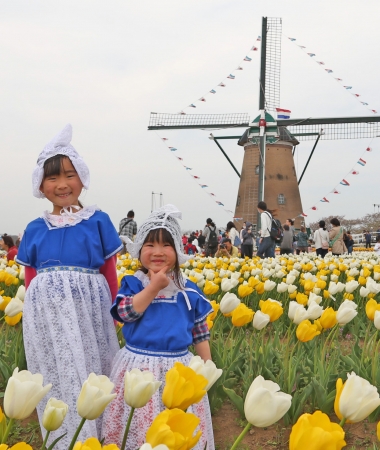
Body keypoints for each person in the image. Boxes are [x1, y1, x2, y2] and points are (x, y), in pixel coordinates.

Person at [15, 124, 122, 449]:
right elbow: (31, 277)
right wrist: (34, 316)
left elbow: (109, 270)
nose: (62, 185)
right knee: (55, 367)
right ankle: (62, 437)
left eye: (70, 175)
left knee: (91, 367)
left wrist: (115, 311)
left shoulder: (98, 220)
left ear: (82, 178)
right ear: (41, 186)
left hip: (89, 309)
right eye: (53, 178)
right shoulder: (35, 228)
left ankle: (98, 435)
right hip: (46, 315)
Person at [102, 204, 215, 450]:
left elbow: (199, 332)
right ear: (139, 249)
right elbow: (125, 314)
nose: (158, 252)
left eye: (167, 245)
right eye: (150, 245)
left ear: (177, 250)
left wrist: (207, 367)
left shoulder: (188, 290)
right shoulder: (134, 283)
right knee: (139, 424)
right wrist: (153, 288)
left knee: (176, 428)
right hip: (138, 367)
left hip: (178, 368)